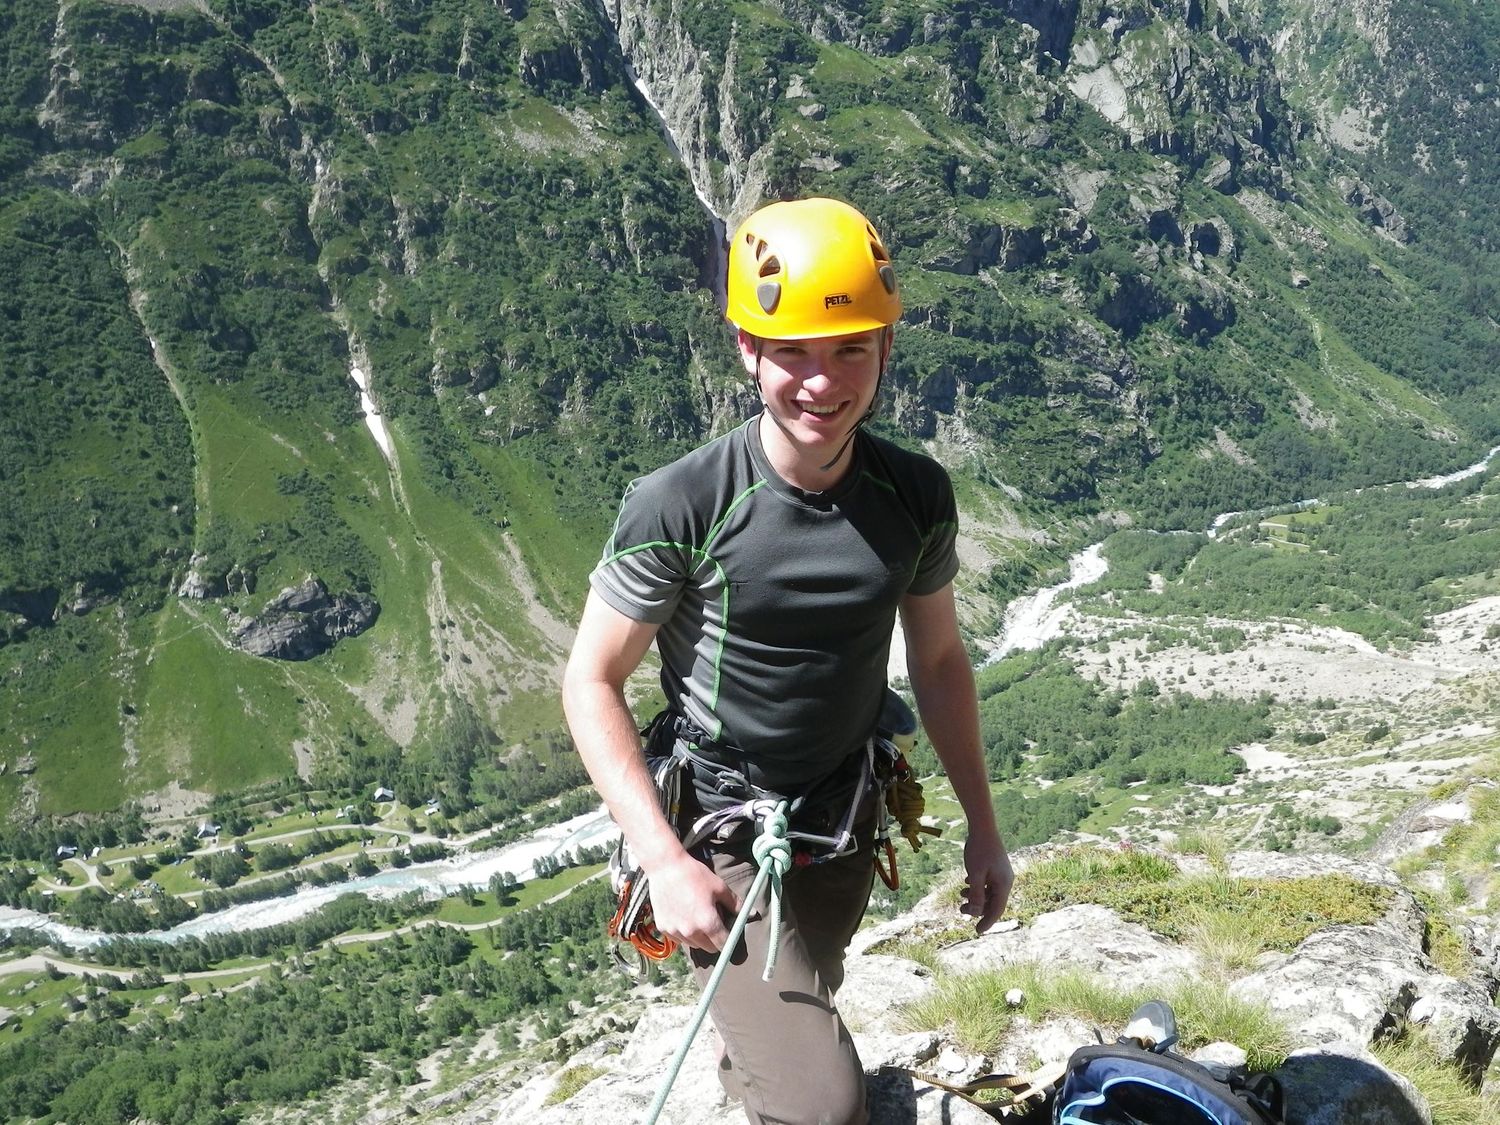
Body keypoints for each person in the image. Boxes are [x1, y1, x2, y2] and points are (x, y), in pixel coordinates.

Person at [562, 196, 1013, 1125]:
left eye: (850, 348)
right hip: (722, 830)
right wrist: (663, 859)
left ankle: (754, 1078)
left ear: (887, 349)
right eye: (794, 351)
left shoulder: (915, 493)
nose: (823, 381)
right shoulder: (682, 503)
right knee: (824, 1100)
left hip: (842, 819)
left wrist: (982, 824)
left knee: (797, 1026)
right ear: (746, 350)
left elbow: (938, 662)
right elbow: (591, 679)